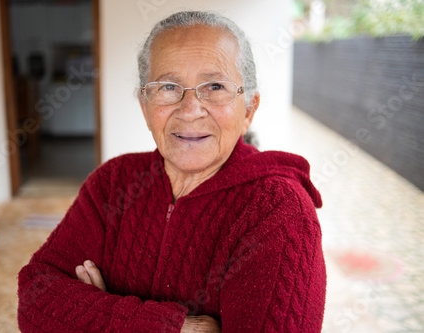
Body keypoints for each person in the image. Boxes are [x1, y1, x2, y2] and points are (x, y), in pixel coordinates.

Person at [18, 10, 326, 332]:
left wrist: (94, 313)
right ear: (145, 107)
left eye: (215, 86)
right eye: (167, 87)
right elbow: (34, 300)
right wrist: (177, 328)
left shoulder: (279, 211)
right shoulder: (113, 182)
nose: (190, 110)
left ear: (248, 109)